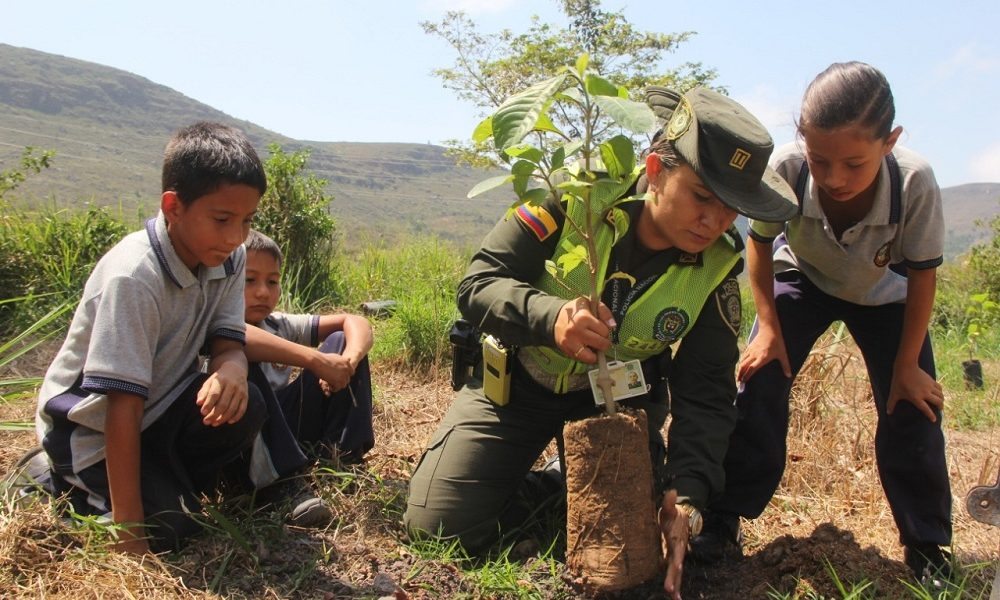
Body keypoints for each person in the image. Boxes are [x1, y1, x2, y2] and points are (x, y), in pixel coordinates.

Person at [403, 86, 798, 598]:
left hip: (612, 412)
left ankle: (563, 485)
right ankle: (550, 483)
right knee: (438, 528)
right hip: (519, 386)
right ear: (655, 170)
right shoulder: (573, 195)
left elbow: (705, 393)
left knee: (630, 556)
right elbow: (479, 284)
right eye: (702, 198)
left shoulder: (718, 267)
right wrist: (549, 319)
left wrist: (691, 496)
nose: (716, 222)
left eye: (731, 209)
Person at [689, 62, 953, 582]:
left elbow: (922, 277)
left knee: (913, 404)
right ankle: (724, 518)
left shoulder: (914, 182)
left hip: (885, 296)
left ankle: (927, 547)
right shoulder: (787, 170)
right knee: (758, 377)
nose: (834, 179)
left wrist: (907, 364)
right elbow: (759, 247)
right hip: (803, 280)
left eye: (854, 164)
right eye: (821, 159)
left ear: (890, 141)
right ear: (801, 142)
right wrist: (768, 328)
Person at [33, 122, 269, 554]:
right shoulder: (134, 277)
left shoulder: (229, 257)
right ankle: (47, 477)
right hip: (93, 430)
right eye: (222, 219)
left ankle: (163, 484)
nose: (236, 237)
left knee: (246, 402)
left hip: (159, 409)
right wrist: (130, 533)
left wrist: (231, 367)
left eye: (247, 220)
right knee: (164, 532)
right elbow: (120, 405)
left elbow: (227, 337)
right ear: (173, 207)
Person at [241, 229, 375, 464]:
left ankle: (342, 456)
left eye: (272, 281)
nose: (263, 292)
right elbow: (239, 336)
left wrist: (347, 363)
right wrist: (318, 361)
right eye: (249, 280)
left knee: (341, 341)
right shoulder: (216, 324)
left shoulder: (278, 324)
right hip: (248, 434)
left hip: (288, 422)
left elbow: (356, 321)